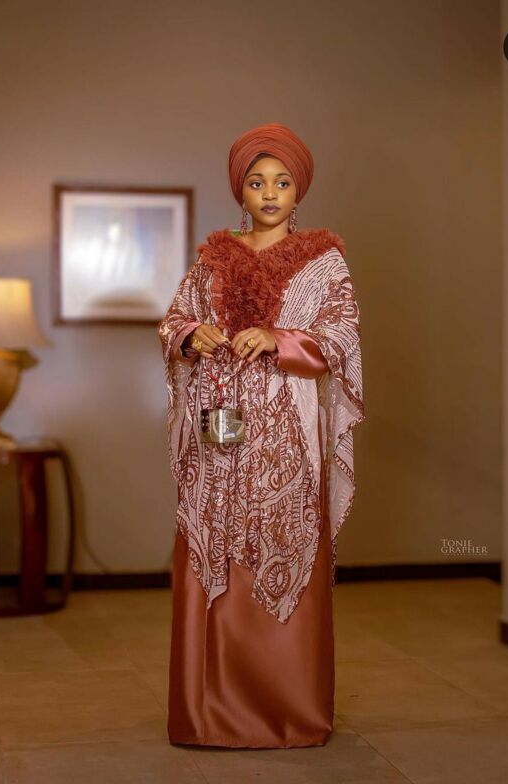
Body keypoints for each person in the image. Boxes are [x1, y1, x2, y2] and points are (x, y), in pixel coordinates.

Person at [158, 122, 365, 749]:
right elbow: (172, 321)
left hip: (286, 443)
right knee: (210, 555)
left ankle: (290, 714)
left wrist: (279, 339)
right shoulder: (211, 260)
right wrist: (191, 335)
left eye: (282, 182)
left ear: (299, 190)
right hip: (217, 439)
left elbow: (341, 341)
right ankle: (206, 717)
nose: (270, 193)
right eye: (257, 182)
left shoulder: (324, 263)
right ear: (239, 191)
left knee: (286, 547)